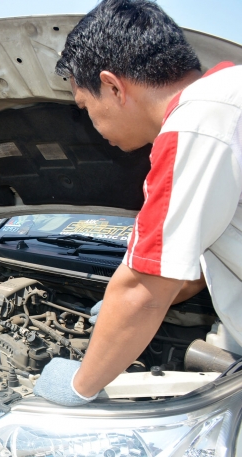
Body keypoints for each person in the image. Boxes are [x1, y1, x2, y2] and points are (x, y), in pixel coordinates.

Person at [33, 0, 242, 406]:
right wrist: (112, 312)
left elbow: (145, 287)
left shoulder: (196, 124)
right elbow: (191, 267)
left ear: (112, 86)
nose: (91, 123)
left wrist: (80, 383)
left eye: (85, 107)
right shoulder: (228, 96)